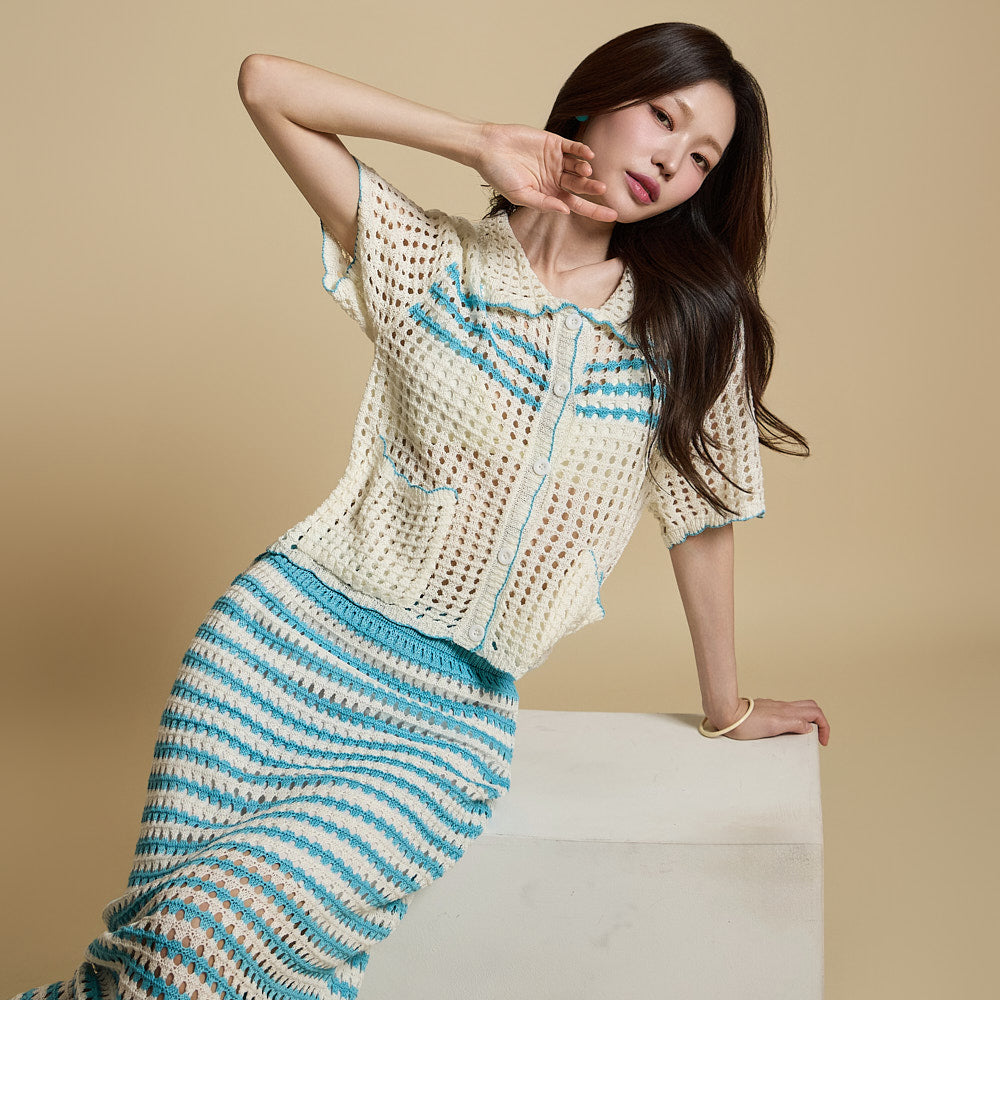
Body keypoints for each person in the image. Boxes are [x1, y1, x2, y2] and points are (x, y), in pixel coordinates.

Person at [15, 21, 830, 1001]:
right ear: (595, 103)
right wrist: (475, 141)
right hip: (271, 654)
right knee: (151, 962)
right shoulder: (429, 261)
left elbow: (702, 517)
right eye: (663, 117)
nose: (672, 160)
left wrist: (725, 705)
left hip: (445, 714)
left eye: (701, 157)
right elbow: (267, 84)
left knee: (192, 946)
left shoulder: (690, 327)